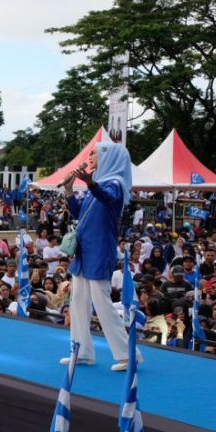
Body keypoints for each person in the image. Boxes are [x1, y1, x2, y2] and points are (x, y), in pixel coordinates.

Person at [60, 142, 139, 371]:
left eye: (94, 153)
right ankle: (82, 351)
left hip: (100, 249)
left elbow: (107, 198)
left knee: (102, 302)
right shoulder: (99, 185)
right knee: (78, 301)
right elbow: (79, 212)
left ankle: (127, 354)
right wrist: (69, 190)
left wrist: (90, 182)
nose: (90, 156)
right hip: (85, 251)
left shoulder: (115, 184)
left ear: (109, 157)